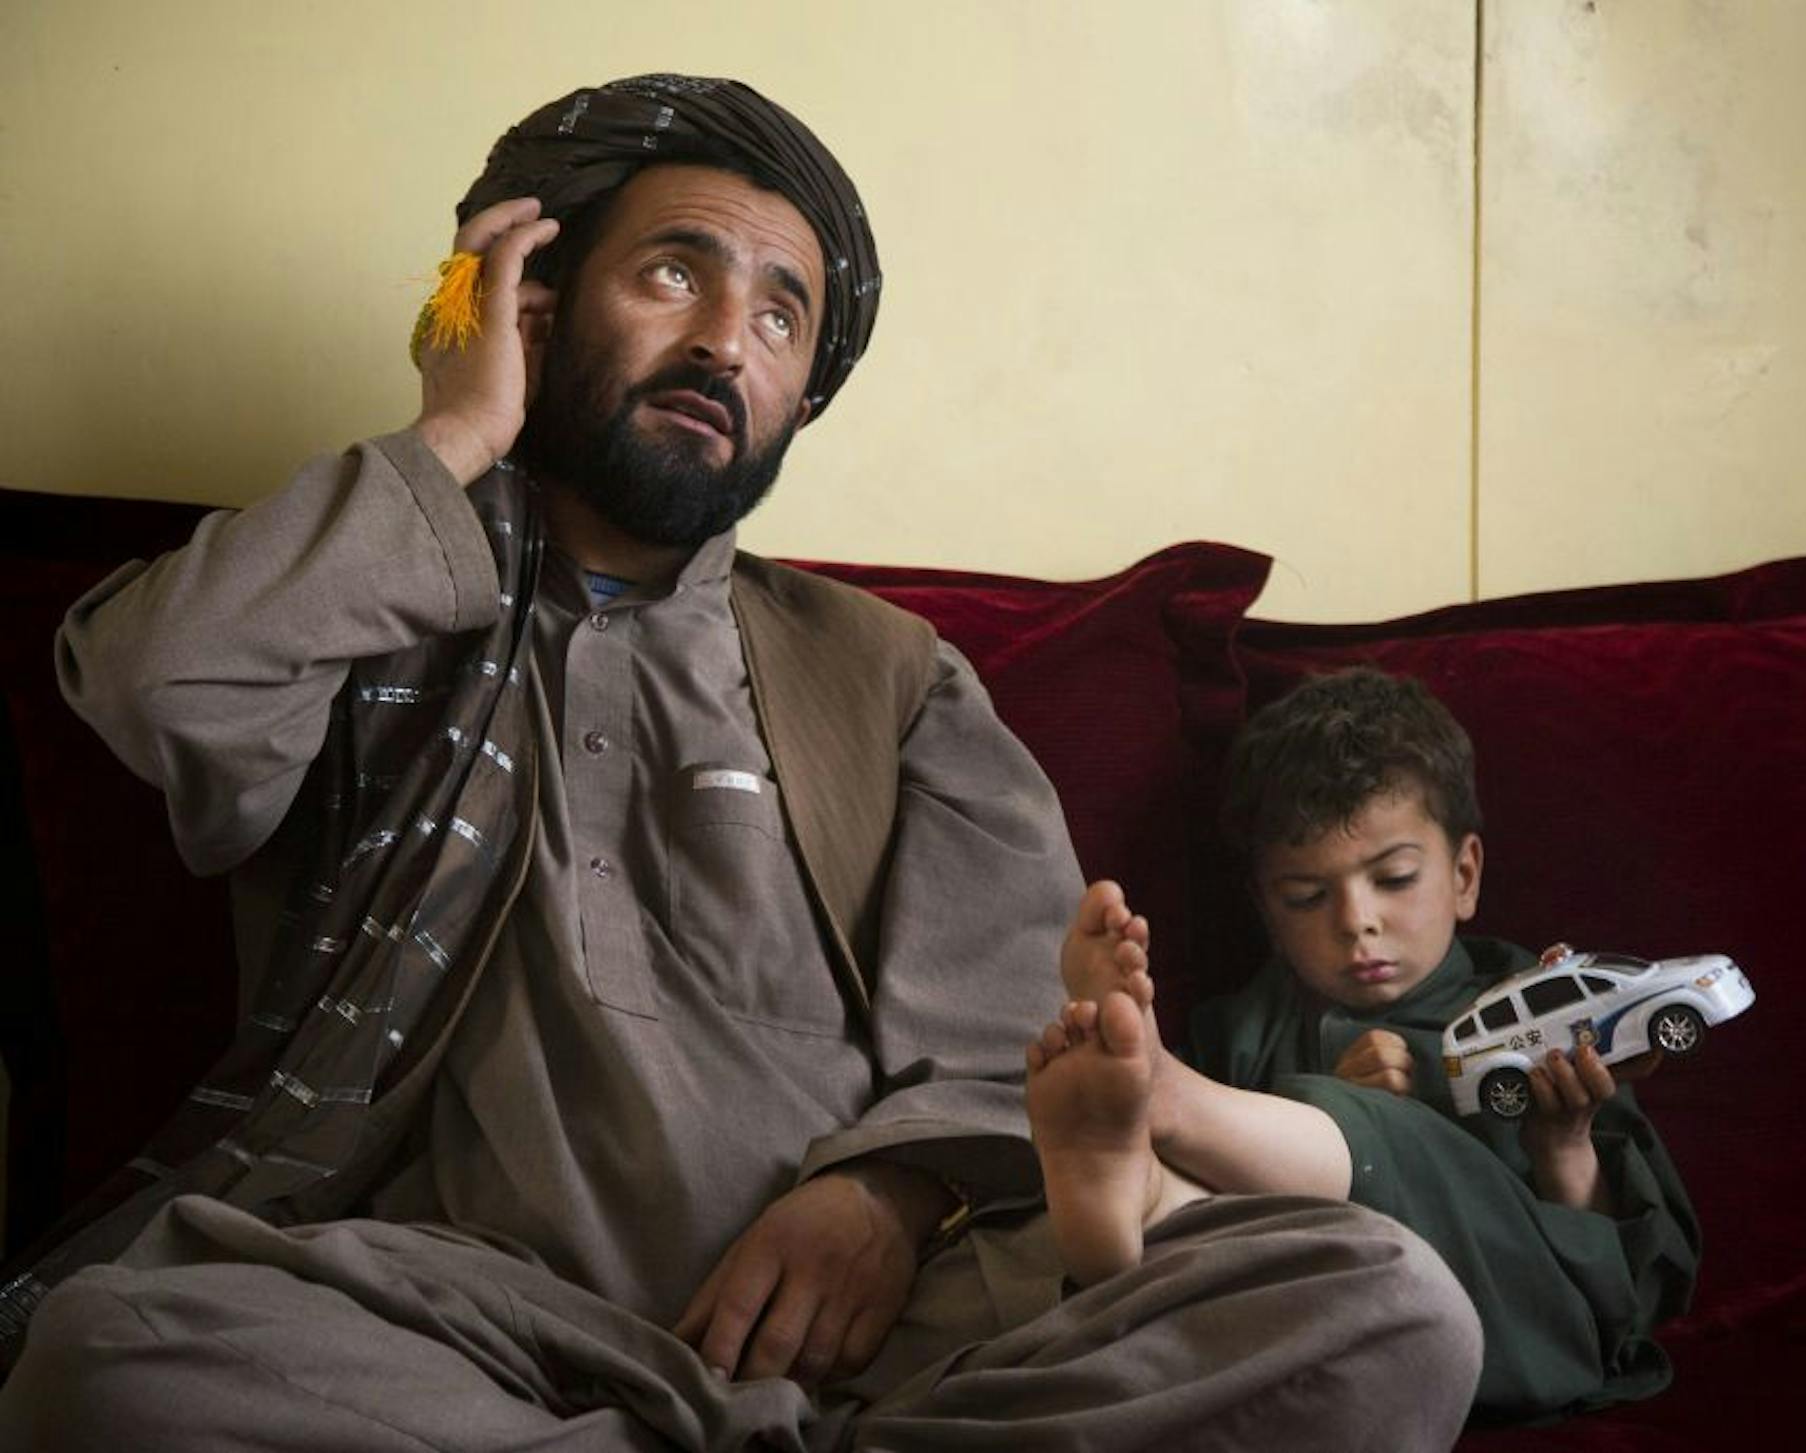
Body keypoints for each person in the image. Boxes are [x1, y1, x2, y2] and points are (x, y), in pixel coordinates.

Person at [0, 77, 1482, 1451]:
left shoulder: (890, 673)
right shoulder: (376, 593)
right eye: (673, 274)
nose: (729, 341)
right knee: (105, 1359)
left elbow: (1009, 1033)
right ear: (530, 304)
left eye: (784, 316)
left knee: (1382, 1302)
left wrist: (889, 1190)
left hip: (902, 1327)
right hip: (471, 1318)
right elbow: (157, 679)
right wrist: (453, 432)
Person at [1023, 667, 1702, 1423]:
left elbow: (1624, 1300)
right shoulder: (1241, 1031)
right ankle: (1149, 1201)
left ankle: (1167, 1118)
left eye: (1395, 878)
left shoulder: (1534, 1004)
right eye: (1307, 897)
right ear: (1265, 910)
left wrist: (1563, 1141)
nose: (1356, 922)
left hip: (1517, 1321)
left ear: (1464, 874)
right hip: (1311, 1330)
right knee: (1225, 1228)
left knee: (1326, 1119)